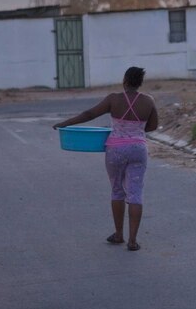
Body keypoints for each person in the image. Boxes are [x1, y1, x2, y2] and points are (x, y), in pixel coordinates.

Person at [53, 66, 158, 251]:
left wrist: (65, 124)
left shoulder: (113, 99)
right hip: (138, 150)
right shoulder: (148, 101)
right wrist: (135, 131)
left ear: (124, 80)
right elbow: (152, 126)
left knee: (117, 191)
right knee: (136, 193)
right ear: (140, 82)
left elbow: (89, 114)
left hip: (115, 150)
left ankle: (119, 235)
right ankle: (133, 241)